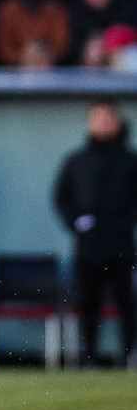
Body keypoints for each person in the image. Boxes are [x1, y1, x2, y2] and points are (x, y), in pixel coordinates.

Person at [54, 99, 137, 366]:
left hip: (121, 244)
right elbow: (61, 197)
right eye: (98, 119)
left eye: (108, 119)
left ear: (118, 123)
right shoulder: (77, 161)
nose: (103, 124)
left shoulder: (130, 161)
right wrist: (75, 222)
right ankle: (89, 356)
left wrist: (122, 225)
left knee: (126, 302)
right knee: (88, 301)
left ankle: (128, 356)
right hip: (87, 246)